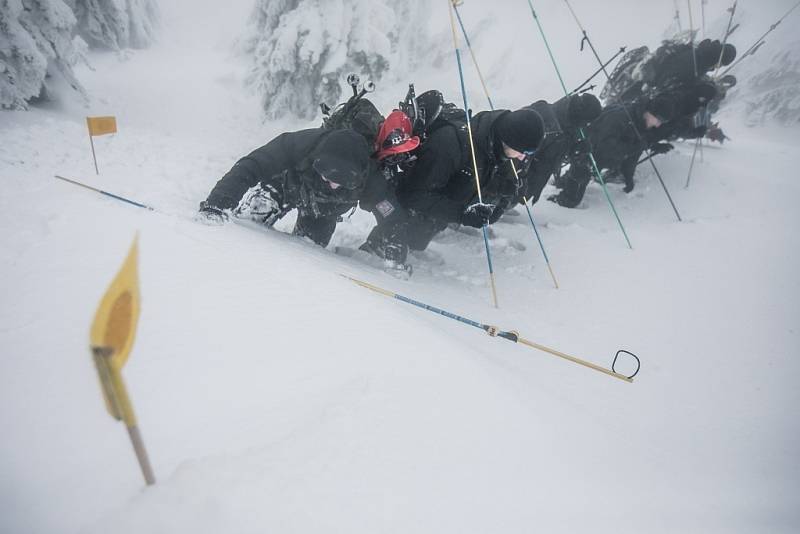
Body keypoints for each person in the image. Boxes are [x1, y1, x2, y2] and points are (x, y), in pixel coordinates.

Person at [196, 127, 409, 249]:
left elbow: (392, 217)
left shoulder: (371, 179)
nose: (332, 185)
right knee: (245, 229)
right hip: (282, 189)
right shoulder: (297, 144)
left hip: (323, 215)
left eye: (340, 182)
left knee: (306, 255)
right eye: (326, 176)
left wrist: (388, 253)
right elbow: (251, 165)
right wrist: (217, 205)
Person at [395, 106, 545, 251]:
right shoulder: (451, 144)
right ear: (508, 139)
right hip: (405, 202)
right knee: (414, 240)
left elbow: (482, 184)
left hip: (447, 201)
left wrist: (505, 193)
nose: (522, 156)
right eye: (522, 151)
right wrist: (462, 214)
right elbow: (412, 194)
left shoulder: (500, 151)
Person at [549, 95, 675, 207]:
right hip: (587, 151)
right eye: (659, 120)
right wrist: (639, 146)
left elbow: (632, 153)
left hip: (597, 158)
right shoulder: (621, 117)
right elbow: (606, 149)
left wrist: (628, 177)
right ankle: (552, 206)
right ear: (650, 112)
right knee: (572, 199)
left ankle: (562, 184)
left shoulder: (640, 121)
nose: (658, 125)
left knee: (574, 180)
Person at [517, 93, 603, 206]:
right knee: (513, 193)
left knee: (520, 196)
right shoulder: (551, 121)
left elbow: (561, 149)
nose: (586, 125)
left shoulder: (570, 123)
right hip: (521, 171)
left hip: (537, 174)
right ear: (581, 114)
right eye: (586, 121)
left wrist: (578, 148)